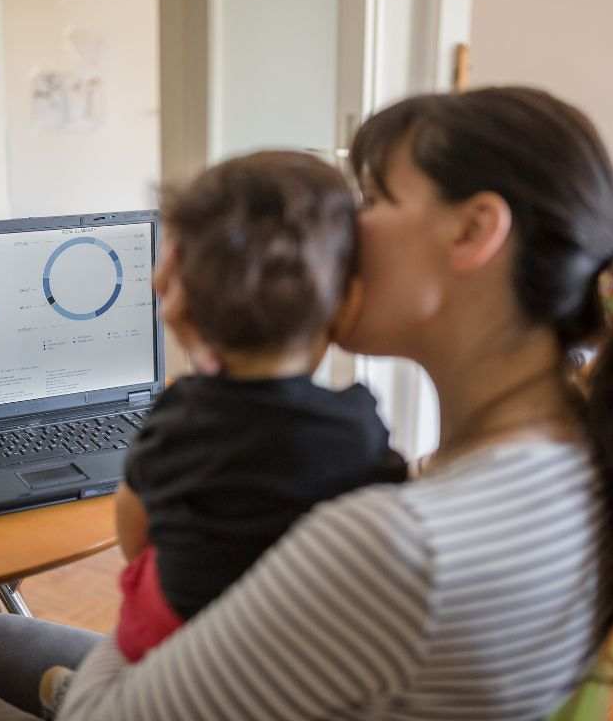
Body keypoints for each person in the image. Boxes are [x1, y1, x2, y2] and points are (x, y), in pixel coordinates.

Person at [0, 87, 613, 721]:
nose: (342, 227)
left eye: (373, 198)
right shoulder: (577, 452)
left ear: (473, 231)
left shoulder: (399, 544)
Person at [38, 151, 407, 709]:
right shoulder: (358, 427)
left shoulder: (178, 417)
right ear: (346, 303)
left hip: (162, 655)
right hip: (284, 671)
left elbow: (133, 533)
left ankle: (73, 695)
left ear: (182, 302)